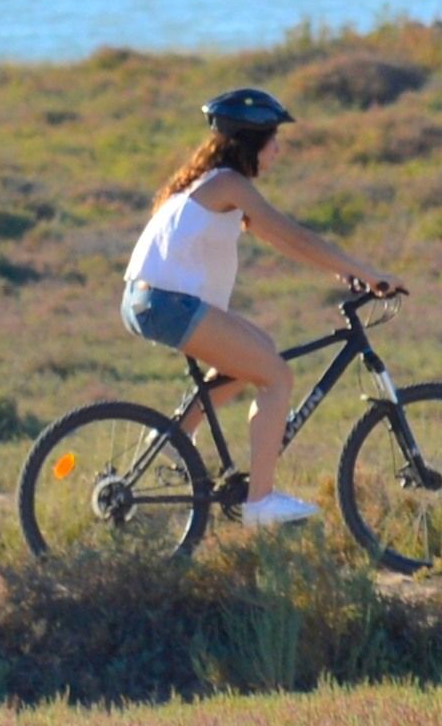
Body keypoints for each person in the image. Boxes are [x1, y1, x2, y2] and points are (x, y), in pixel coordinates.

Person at [122, 83, 401, 527]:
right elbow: (293, 233)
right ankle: (260, 503)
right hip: (167, 304)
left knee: (260, 351)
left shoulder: (210, 184)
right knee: (276, 376)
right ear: (253, 143)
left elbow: (284, 241)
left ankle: (176, 438)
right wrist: (369, 273)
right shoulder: (228, 184)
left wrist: (339, 271)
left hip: (151, 301)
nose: (279, 151)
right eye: (275, 141)